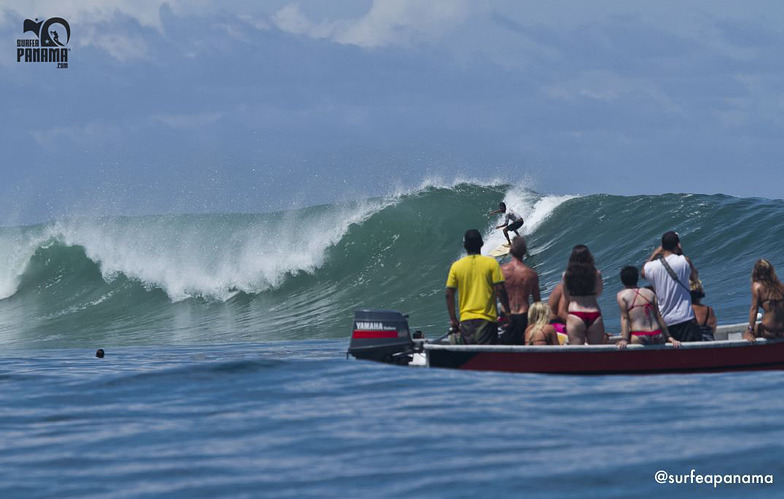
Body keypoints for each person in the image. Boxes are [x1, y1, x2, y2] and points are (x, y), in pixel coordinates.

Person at [446, 229, 512, 345]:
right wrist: (507, 312)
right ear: (482, 244)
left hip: (466, 323)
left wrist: (453, 319)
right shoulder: (491, 263)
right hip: (487, 321)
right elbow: (500, 290)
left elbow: (449, 293)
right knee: (487, 357)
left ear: (465, 246)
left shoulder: (456, 266)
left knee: (471, 357)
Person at [641, 231, 702, 342]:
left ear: (662, 247)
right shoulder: (685, 261)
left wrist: (654, 254)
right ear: (678, 245)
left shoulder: (652, 266)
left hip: (665, 322)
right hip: (685, 317)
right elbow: (694, 278)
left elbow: (643, 273)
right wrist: (681, 252)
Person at [616, 266, 681, 349]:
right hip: (658, 334)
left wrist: (624, 339)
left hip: (639, 335)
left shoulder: (621, 295)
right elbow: (658, 316)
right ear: (637, 278)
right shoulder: (650, 293)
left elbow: (625, 318)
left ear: (622, 280)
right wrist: (669, 337)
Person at [498, 237, 541, 345]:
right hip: (523, 315)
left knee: (505, 346)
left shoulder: (501, 270)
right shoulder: (531, 274)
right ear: (524, 251)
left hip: (506, 313)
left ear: (511, 250)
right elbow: (537, 302)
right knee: (522, 346)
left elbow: (495, 293)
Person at [563, 245, 605, 344]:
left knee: (578, 355)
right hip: (594, 313)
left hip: (575, 313)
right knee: (596, 353)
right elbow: (599, 292)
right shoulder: (596, 273)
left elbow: (566, 296)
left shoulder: (566, 275)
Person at [744, 259, 784, 342]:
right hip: (782, 331)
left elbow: (754, 310)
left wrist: (750, 331)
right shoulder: (781, 285)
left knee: (747, 333)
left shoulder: (757, 286)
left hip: (769, 331)